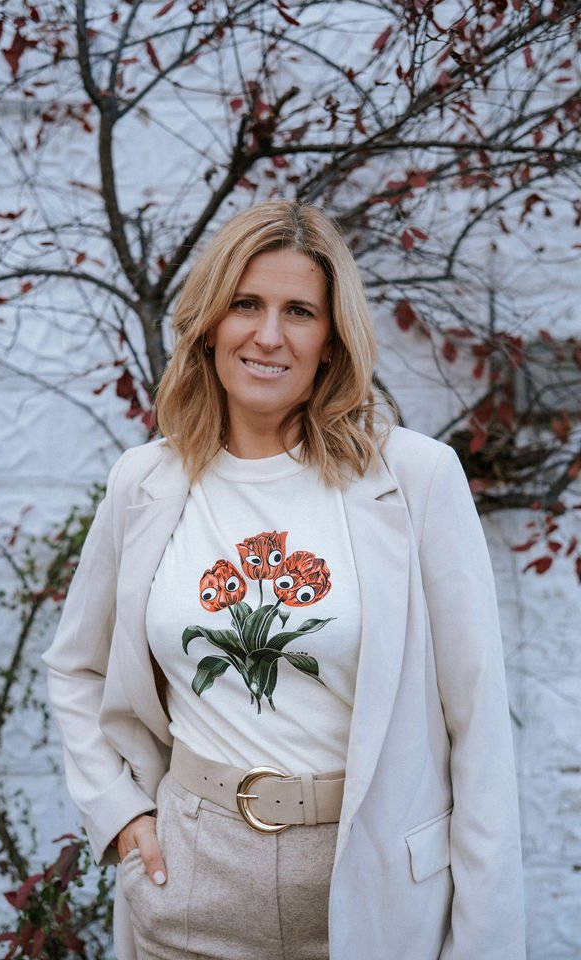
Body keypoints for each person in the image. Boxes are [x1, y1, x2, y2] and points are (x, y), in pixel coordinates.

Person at [43, 200, 526, 960]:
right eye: (246, 304)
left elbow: (479, 731)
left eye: (299, 311)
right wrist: (123, 817)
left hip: (368, 886)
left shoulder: (414, 479)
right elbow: (75, 666)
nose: (269, 335)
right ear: (209, 322)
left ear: (332, 339)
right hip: (193, 878)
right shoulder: (145, 483)